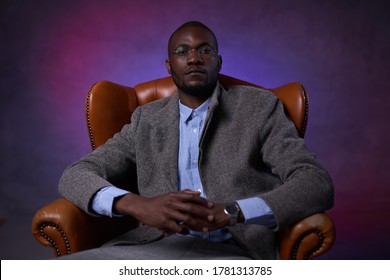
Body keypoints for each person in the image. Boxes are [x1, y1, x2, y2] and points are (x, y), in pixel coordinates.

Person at [58, 21, 333, 260]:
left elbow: (315, 181)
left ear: (219, 61)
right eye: (182, 51)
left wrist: (232, 211)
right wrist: (137, 205)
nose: (194, 58)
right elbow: (75, 175)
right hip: (152, 250)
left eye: (205, 50)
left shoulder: (259, 108)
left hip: (236, 252)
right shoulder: (146, 119)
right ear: (169, 66)